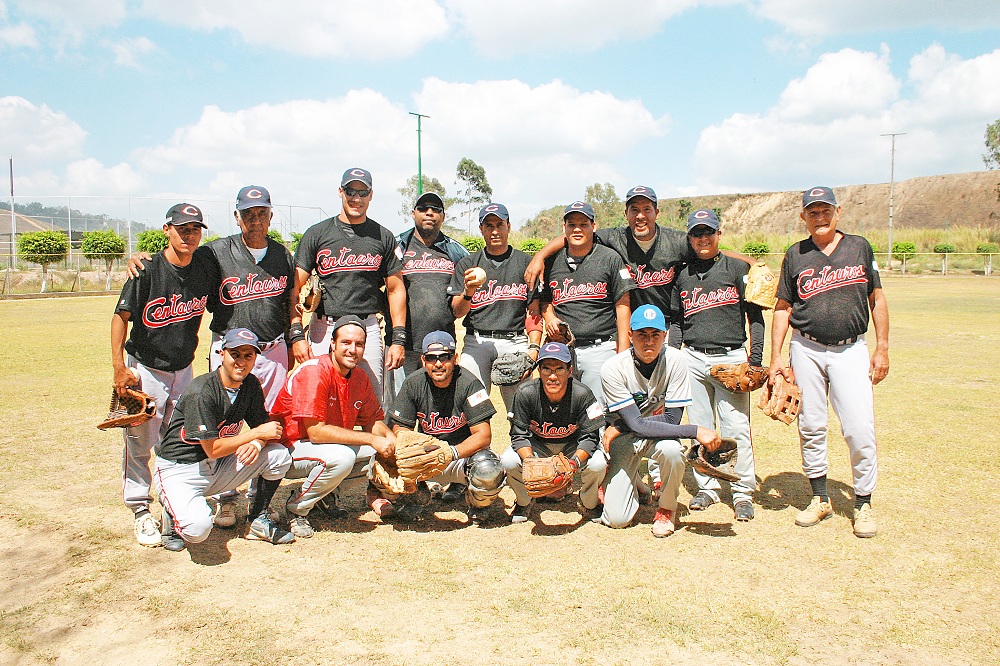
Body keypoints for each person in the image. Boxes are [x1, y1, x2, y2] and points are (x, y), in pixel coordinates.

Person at [768, 186, 889, 538]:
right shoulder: (796, 254)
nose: (819, 217)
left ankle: (863, 501)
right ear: (803, 217)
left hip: (851, 349)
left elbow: (876, 299)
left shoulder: (858, 247)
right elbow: (783, 308)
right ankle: (819, 497)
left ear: (838, 212)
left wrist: (882, 348)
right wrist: (776, 356)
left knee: (858, 428)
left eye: (825, 210)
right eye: (812, 211)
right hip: (806, 348)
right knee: (811, 425)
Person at [111, 203, 216, 547]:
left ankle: (173, 508)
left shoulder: (204, 265)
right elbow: (120, 318)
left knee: (179, 441)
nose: (189, 235)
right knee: (140, 442)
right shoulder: (147, 269)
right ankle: (141, 511)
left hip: (184, 368)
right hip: (146, 369)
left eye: (195, 229)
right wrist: (119, 368)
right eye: (183, 228)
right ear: (166, 229)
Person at [154, 329, 294, 551]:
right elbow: (213, 448)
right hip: (179, 469)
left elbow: (267, 429)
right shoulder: (202, 391)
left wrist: (257, 443)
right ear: (221, 354)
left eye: (248, 355)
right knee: (198, 530)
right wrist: (255, 435)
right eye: (235, 354)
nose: (241, 361)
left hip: (217, 467)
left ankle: (257, 519)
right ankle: (172, 514)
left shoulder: (250, 385)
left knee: (278, 455)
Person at [671, 209, 765, 521]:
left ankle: (742, 492)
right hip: (693, 358)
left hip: (731, 357)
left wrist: (755, 360)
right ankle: (707, 487)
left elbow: (756, 317)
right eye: (697, 233)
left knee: (736, 426)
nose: (703, 238)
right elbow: (677, 323)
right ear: (690, 238)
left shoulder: (737, 268)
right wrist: (672, 359)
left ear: (719, 234)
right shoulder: (682, 274)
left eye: (708, 231)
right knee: (700, 426)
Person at [599, 305, 723, 537]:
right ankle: (633, 482)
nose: (649, 341)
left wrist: (619, 425)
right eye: (642, 335)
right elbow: (636, 425)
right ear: (629, 336)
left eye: (655, 335)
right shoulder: (613, 368)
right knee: (617, 519)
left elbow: (672, 420)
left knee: (672, 450)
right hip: (626, 439)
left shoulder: (676, 360)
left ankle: (666, 509)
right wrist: (696, 430)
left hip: (652, 435)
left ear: (665, 336)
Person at [271, 315, 397, 538]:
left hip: (321, 448)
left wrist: (395, 444)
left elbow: (373, 422)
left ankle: (325, 496)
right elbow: (316, 432)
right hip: (287, 449)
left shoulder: (359, 377)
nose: (352, 350)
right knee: (343, 457)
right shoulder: (314, 371)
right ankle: (297, 508)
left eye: (359, 344)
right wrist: (371, 439)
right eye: (346, 343)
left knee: (381, 451)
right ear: (332, 344)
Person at [290, 168, 407, 404]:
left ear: (371, 195)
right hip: (325, 327)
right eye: (351, 191)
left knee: (374, 402)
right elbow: (294, 287)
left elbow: (395, 289)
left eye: (363, 192)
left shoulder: (383, 236)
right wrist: (296, 334)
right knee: (319, 398)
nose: (357, 198)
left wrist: (398, 339)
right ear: (340, 191)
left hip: (368, 326)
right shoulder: (317, 234)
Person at [388, 331, 503, 525]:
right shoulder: (414, 383)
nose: (438, 364)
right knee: (389, 455)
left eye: (445, 357)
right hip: (428, 458)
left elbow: (483, 436)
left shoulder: (470, 383)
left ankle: (478, 505)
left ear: (455, 359)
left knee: (488, 467)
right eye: (432, 358)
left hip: (460, 457)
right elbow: (399, 428)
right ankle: (416, 496)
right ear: (424, 360)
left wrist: (451, 452)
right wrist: (415, 448)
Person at [537, 201, 635, 404]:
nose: (577, 229)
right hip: (563, 350)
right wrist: (550, 316)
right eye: (572, 224)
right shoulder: (552, 262)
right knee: (564, 411)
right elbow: (544, 300)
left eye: (583, 223)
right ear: (564, 228)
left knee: (599, 411)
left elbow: (623, 305)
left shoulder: (609, 258)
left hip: (600, 348)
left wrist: (623, 353)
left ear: (594, 226)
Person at [449, 202, 543, 411]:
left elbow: (534, 311)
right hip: (477, 342)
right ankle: (479, 445)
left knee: (522, 410)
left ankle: (520, 444)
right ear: (481, 229)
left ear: (508, 226)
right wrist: (468, 292)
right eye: (488, 225)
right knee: (471, 407)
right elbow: (457, 311)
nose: (495, 231)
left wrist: (533, 350)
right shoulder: (468, 264)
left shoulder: (525, 263)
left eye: (499, 224)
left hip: (514, 341)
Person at [501, 342, 607, 524]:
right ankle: (525, 501)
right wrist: (532, 462)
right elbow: (519, 435)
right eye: (546, 369)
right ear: (539, 371)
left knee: (598, 463)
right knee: (508, 461)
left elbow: (590, 437)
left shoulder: (583, 394)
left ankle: (589, 503)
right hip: (538, 447)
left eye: (559, 369)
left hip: (571, 448)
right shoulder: (525, 393)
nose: (552, 376)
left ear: (570, 370)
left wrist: (573, 463)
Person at [392, 191, 469, 385]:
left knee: (439, 409)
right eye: (423, 208)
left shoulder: (456, 252)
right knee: (401, 408)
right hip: (404, 345)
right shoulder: (397, 247)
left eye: (435, 210)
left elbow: (459, 305)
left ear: (442, 217)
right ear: (413, 213)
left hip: (441, 348)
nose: (429, 213)